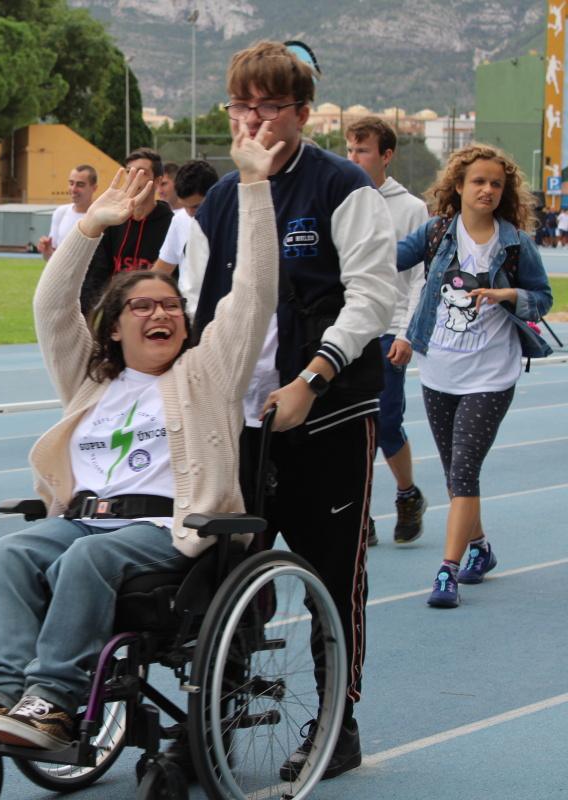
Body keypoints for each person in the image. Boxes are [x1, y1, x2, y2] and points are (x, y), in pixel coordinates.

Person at [0, 125, 281, 750]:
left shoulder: (205, 371)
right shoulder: (91, 377)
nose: (161, 314)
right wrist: (88, 229)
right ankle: (1, 691)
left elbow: (252, 293)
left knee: (86, 558)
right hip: (85, 520)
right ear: (112, 328)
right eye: (141, 307)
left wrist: (253, 184)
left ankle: (53, 701)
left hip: (169, 531)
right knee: (11, 553)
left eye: (171, 306)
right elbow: (52, 310)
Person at [179, 41, 396, 781]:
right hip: (234, 423)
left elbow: (372, 297)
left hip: (325, 417)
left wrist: (313, 376)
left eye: (270, 105)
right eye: (242, 105)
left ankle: (338, 723)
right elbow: (193, 302)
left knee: (334, 576)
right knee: (216, 573)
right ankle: (221, 705)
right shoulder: (216, 199)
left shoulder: (340, 186)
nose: (254, 119)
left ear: (303, 113)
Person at [396, 144, 553, 608]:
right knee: (454, 473)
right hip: (439, 369)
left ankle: (446, 571)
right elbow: (387, 258)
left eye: (496, 184)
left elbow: (541, 299)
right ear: (459, 186)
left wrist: (508, 294)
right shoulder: (436, 232)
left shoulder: (514, 243)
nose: (487, 189)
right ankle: (480, 547)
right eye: (478, 181)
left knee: (465, 470)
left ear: (504, 193)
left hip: (491, 374)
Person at [345, 117, 430, 546]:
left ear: (386, 155)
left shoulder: (412, 208)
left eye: (362, 150)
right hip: (346, 332)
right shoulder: (341, 198)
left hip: (387, 330)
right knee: (345, 427)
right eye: (350, 150)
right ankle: (361, 513)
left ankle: (406, 494)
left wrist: (405, 334)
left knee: (386, 425)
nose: (354, 158)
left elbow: (419, 278)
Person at [78, 148, 176, 313]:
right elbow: (96, 274)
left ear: (158, 182)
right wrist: (90, 313)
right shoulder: (112, 221)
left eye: (142, 173)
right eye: (130, 172)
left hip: (155, 313)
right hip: (115, 312)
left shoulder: (172, 225)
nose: (134, 178)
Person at [153, 159, 219, 273]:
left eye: (196, 207)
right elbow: (162, 270)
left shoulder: (233, 220)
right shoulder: (179, 220)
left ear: (216, 194)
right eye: (184, 206)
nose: (190, 213)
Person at [36, 165, 98, 261]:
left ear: (94, 188)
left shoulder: (101, 217)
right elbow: (51, 259)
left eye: (80, 185)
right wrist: (46, 251)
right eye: (71, 183)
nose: (73, 189)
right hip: (63, 276)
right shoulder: (60, 213)